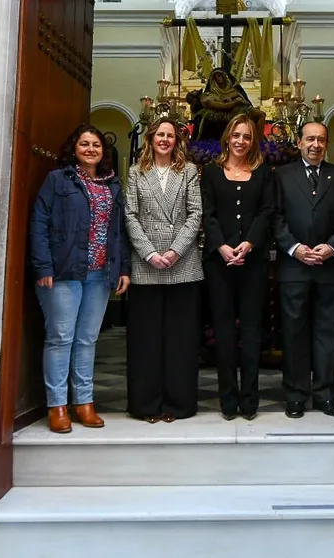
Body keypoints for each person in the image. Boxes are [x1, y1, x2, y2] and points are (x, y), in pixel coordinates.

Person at [28, 124, 131, 434]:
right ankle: (57, 405)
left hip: (99, 274)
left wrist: (123, 268)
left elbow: (119, 232)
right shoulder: (58, 180)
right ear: (74, 148)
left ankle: (84, 402)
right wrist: (43, 266)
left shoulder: (112, 185)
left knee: (87, 340)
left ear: (103, 151)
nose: (90, 149)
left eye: (96, 145)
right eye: (84, 144)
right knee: (60, 338)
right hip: (63, 271)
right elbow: (39, 222)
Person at [273, 121, 334, 419]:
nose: (315, 145)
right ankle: (295, 396)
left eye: (321, 140)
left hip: (328, 268)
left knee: (327, 334)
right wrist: (294, 248)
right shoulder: (282, 176)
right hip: (293, 268)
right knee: (294, 334)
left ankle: (325, 395)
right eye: (310, 139)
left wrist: (332, 247)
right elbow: (275, 217)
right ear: (299, 142)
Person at [123, 118, 204, 423]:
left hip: (182, 264)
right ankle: (146, 405)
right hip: (147, 266)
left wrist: (174, 250)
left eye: (170, 135)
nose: (165, 140)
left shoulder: (189, 172)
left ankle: (178, 405)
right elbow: (130, 215)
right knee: (146, 340)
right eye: (160, 134)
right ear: (151, 138)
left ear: (177, 141)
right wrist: (149, 253)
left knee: (180, 340)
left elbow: (196, 214)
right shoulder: (135, 173)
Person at [201, 113, 275, 421]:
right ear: (227, 139)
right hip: (219, 262)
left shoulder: (263, 173)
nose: (241, 141)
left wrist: (249, 244)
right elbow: (208, 213)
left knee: (252, 330)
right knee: (224, 332)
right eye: (236, 135)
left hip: (253, 261)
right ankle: (228, 398)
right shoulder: (211, 172)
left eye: (247, 136)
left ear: (253, 140)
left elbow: (267, 211)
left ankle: (250, 398)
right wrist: (222, 246)